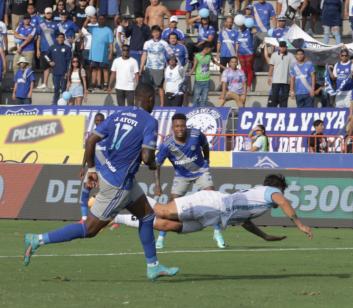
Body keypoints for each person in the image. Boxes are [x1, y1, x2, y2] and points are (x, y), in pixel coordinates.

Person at [23, 83, 180, 280]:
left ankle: (153, 266)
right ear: (149, 99)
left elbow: (90, 141)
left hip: (113, 174)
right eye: (154, 100)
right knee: (89, 229)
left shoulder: (118, 114)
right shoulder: (149, 121)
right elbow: (148, 156)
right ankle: (37, 239)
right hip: (118, 184)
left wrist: (91, 169)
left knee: (147, 216)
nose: (155, 103)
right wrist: (152, 164)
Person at [112, 174, 313, 244]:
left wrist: (264, 236)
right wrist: (300, 225)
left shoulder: (258, 200)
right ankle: (127, 188)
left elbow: (244, 221)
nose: (282, 195)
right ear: (278, 187)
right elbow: (284, 202)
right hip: (212, 203)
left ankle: (117, 219)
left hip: (213, 218)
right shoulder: (270, 191)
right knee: (163, 211)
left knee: (165, 225)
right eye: (282, 191)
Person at [152, 113, 223, 249]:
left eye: (182, 126)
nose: (180, 129)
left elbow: (205, 146)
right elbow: (156, 165)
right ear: (172, 127)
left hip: (200, 172)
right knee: (171, 206)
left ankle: (217, 232)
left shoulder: (196, 135)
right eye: (177, 126)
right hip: (181, 175)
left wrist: (207, 160)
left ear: (186, 126)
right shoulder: (167, 144)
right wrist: (157, 185)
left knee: (213, 199)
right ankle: (161, 237)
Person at [78, 112, 105, 222]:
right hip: (92, 169)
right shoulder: (91, 135)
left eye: (100, 121)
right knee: (84, 192)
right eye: (97, 120)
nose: (98, 122)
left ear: (104, 121)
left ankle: (112, 219)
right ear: (94, 121)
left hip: (105, 170)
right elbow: (87, 152)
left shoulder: (108, 134)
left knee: (107, 195)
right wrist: (82, 167)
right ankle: (84, 218)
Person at [141, 25, 171, 107]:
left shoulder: (164, 43)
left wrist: (168, 66)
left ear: (160, 33)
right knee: (148, 88)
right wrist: (141, 67)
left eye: (157, 32)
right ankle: (148, 104)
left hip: (160, 68)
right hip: (149, 68)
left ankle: (162, 104)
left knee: (160, 87)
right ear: (152, 33)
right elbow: (144, 55)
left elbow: (171, 54)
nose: (156, 33)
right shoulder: (147, 43)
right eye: (154, 32)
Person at [85, 15, 114, 91]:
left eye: (102, 19)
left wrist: (110, 53)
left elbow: (111, 43)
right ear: (98, 20)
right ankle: (93, 84)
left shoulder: (108, 30)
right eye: (99, 19)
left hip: (104, 53)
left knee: (105, 69)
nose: (101, 20)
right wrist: (88, 19)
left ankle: (105, 84)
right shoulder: (94, 29)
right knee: (94, 69)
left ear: (105, 20)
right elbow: (84, 27)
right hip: (94, 54)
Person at [191, 43, 222, 107]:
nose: (210, 51)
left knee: (204, 98)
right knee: (196, 97)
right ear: (206, 49)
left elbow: (215, 62)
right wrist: (190, 73)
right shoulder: (197, 56)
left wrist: (223, 67)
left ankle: (203, 110)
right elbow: (194, 66)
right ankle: (194, 109)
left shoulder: (209, 55)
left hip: (206, 80)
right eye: (210, 50)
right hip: (198, 80)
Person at [46, 33, 72, 105]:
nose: (61, 39)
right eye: (59, 37)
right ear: (57, 38)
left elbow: (69, 61)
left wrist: (67, 72)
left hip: (64, 73)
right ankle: (55, 103)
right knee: (56, 89)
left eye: (62, 37)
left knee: (64, 89)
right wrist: (49, 61)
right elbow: (45, 55)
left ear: (64, 39)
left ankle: (64, 103)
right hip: (55, 72)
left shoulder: (67, 48)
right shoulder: (52, 47)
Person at [268, 41, 295, 107]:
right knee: (274, 98)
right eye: (281, 47)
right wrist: (269, 77)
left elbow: (294, 66)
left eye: (284, 47)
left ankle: (284, 113)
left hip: (286, 81)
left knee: (284, 99)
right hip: (276, 81)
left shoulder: (290, 55)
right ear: (279, 47)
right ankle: (273, 113)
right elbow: (271, 66)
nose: (282, 48)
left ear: (286, 47)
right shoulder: (274, 55)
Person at [36, 7, 58, 90]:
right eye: (47, 13)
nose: (49, 14)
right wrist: (38, 49)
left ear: (52, 14)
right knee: (46, 67)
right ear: (45, 14)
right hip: (44, 49)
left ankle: (54, 84)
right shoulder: (41, 25)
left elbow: (58, 37)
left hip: (53, 49)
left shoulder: (56, 24)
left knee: (54, 66)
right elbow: (38, 38)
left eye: (50, 13)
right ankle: (45, 84)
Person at [217, 16, 238, 88]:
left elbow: (236, 44)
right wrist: (217, 53)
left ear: (232, 23)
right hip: (223, 54)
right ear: (225, 22)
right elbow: (219, 43)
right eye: (228, 22)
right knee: (222, 71)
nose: (229, 24)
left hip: (232, 55)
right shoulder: (222, 32)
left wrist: (236, 53)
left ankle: (231, 85)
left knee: (232, 71)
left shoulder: (235, 32)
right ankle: (221, 85)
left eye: (231, 22)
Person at [237, 20, 254, 92]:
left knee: (249, 69)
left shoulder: (249, 30)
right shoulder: (237, 32)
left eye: (242, 24)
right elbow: (237, 43)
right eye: (239, 24)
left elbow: (255, 31)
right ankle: (244, 85)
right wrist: (236, 53)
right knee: (243, 69)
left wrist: (251, 27)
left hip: (249, 53)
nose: (241, 26)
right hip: (240, 53)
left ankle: (249, 86)